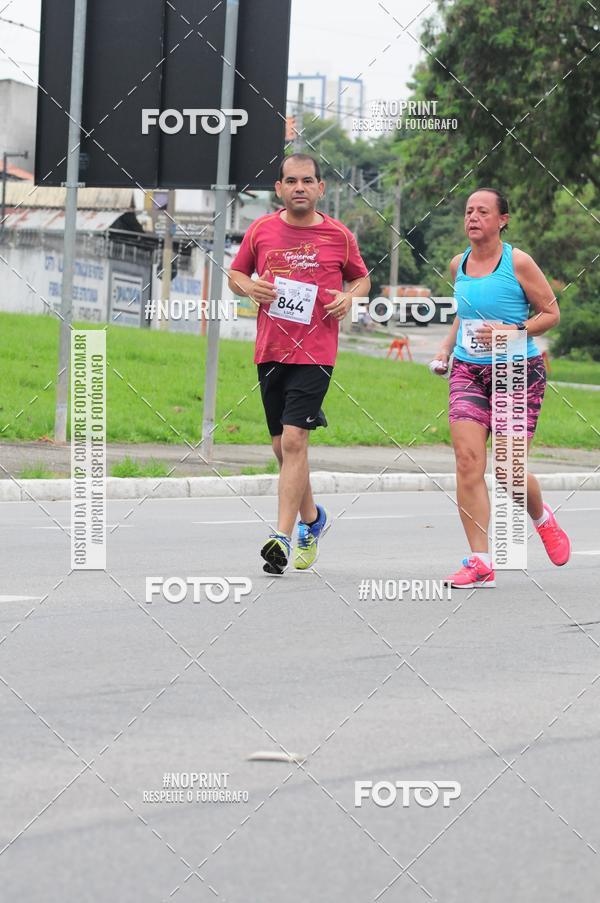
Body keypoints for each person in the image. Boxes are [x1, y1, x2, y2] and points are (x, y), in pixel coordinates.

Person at [228, 153, 371, 575]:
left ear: (321, 188)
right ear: (279, 188)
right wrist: (249, 287)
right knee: (282, 448)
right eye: (291, 181)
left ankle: (281, 537)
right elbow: (235, 275)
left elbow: (361, 277)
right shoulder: (261, 230)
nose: (299, 188)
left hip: (315, 352)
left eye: (307, 181)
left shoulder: (338, 236)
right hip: (270, 349)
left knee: (294, 443)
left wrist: (350, 297)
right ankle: (314, 519)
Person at [431, 187, 571, 588]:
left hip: (515, 370)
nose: (473, 217)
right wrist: (445, 348)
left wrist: (514, 329)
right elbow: (465, 315)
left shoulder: (519, 262)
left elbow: (551, 313)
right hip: (468, 371)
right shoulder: (459, 264)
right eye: (468, 211)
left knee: (508, 470)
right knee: (467, 462)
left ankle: (542, 518)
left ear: (502, 220)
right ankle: (480, 560)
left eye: (483, 211)